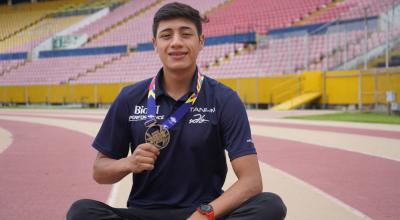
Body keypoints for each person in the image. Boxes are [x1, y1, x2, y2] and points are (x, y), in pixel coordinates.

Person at [66, 2, 286, 220]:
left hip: (203, 212)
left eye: (186, 34)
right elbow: (100, 171)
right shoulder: (130, 97)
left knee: (270, 205)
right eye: (166, 35)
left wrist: (203, 215)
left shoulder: (224, 99)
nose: (176, 43)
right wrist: (129, 163)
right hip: (143, 213)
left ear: (201, 42)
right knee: (82, 212)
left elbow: (251, 181)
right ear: (155, 44)